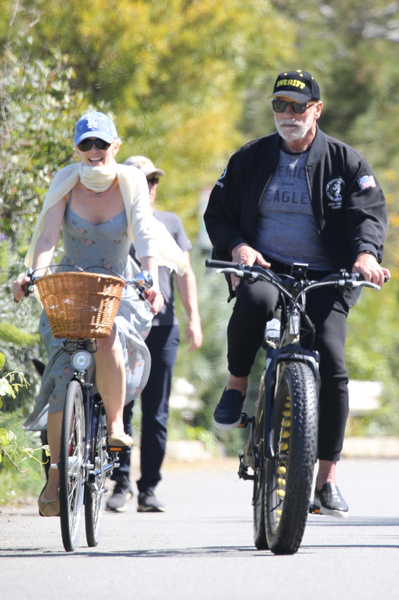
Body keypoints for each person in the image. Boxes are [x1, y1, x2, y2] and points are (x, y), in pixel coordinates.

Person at [204, 69, 390, 518]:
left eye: (297, 107)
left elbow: (367, 215)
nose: (288, 115)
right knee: (253, 301)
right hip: (268, 268)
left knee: (332, 358)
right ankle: (236, 383)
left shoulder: (346, 163)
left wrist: (365, 255)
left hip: (327, 276)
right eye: (279, 106)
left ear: (316, 111)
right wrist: (239, 246)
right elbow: (219, 212)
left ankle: (325, 479)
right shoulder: (250, 158)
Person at [12, 113, 186, 517]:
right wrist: (33, 273)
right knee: (59, 377)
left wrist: (151, 280)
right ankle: (55, 478)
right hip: (71, 283)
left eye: (101, 145)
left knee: (108, 335)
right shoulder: (66, 182)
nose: (94, 152)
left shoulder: (130, 182)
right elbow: (47, 238)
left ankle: (114, 427)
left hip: (118, 284)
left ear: (115, 147)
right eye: (87, 145)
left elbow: (144, 235)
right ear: (78, 148)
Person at [106, 156, 203, 513]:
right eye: (142, 180)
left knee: (156, 413)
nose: (149, 187)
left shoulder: (171, 223)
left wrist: (193, 319)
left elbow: (185, 273)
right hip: (123, 327)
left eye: (153, 181)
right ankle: (120, 484)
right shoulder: (115, 222)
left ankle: (148, 489)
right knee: (122, 407)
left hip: (163, 329)